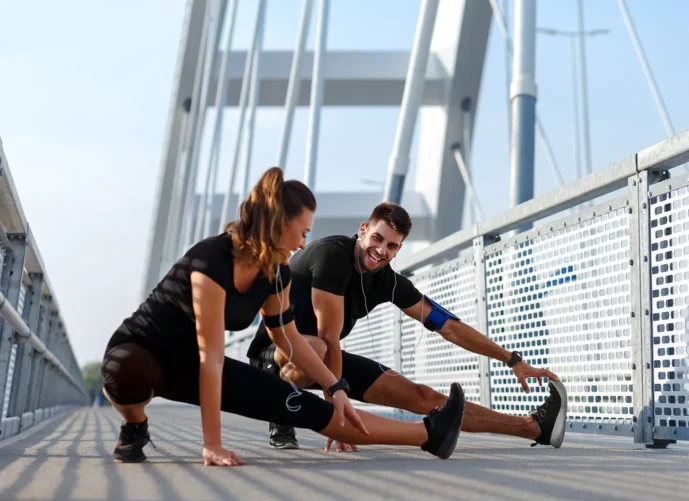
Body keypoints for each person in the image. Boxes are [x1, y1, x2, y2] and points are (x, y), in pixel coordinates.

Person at [100, 169, 466, 466]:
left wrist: (334, 388)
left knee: (306, 409)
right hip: (143, 352)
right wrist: (212, 444)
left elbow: (288, 339)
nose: (305, 244)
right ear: (279, 221)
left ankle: (429, 435)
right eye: (303, 232)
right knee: (125, 371)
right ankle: (135, 425)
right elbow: (211, 357)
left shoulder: (276, 274)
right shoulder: (212, 260)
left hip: (188, 366)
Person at [248, 202, 567, 452]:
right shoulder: (332, 256)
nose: (381, 250)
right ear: (362, 230)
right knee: (317, 347)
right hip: (275, 356)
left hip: (325, 356)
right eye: (377, 238)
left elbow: (449, 326)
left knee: (423, 396)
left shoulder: (388, 282)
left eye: (392, 246)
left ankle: (534, 427)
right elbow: (328, 336)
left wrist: (512, 360)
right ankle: (282, 414)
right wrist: (337, 422)